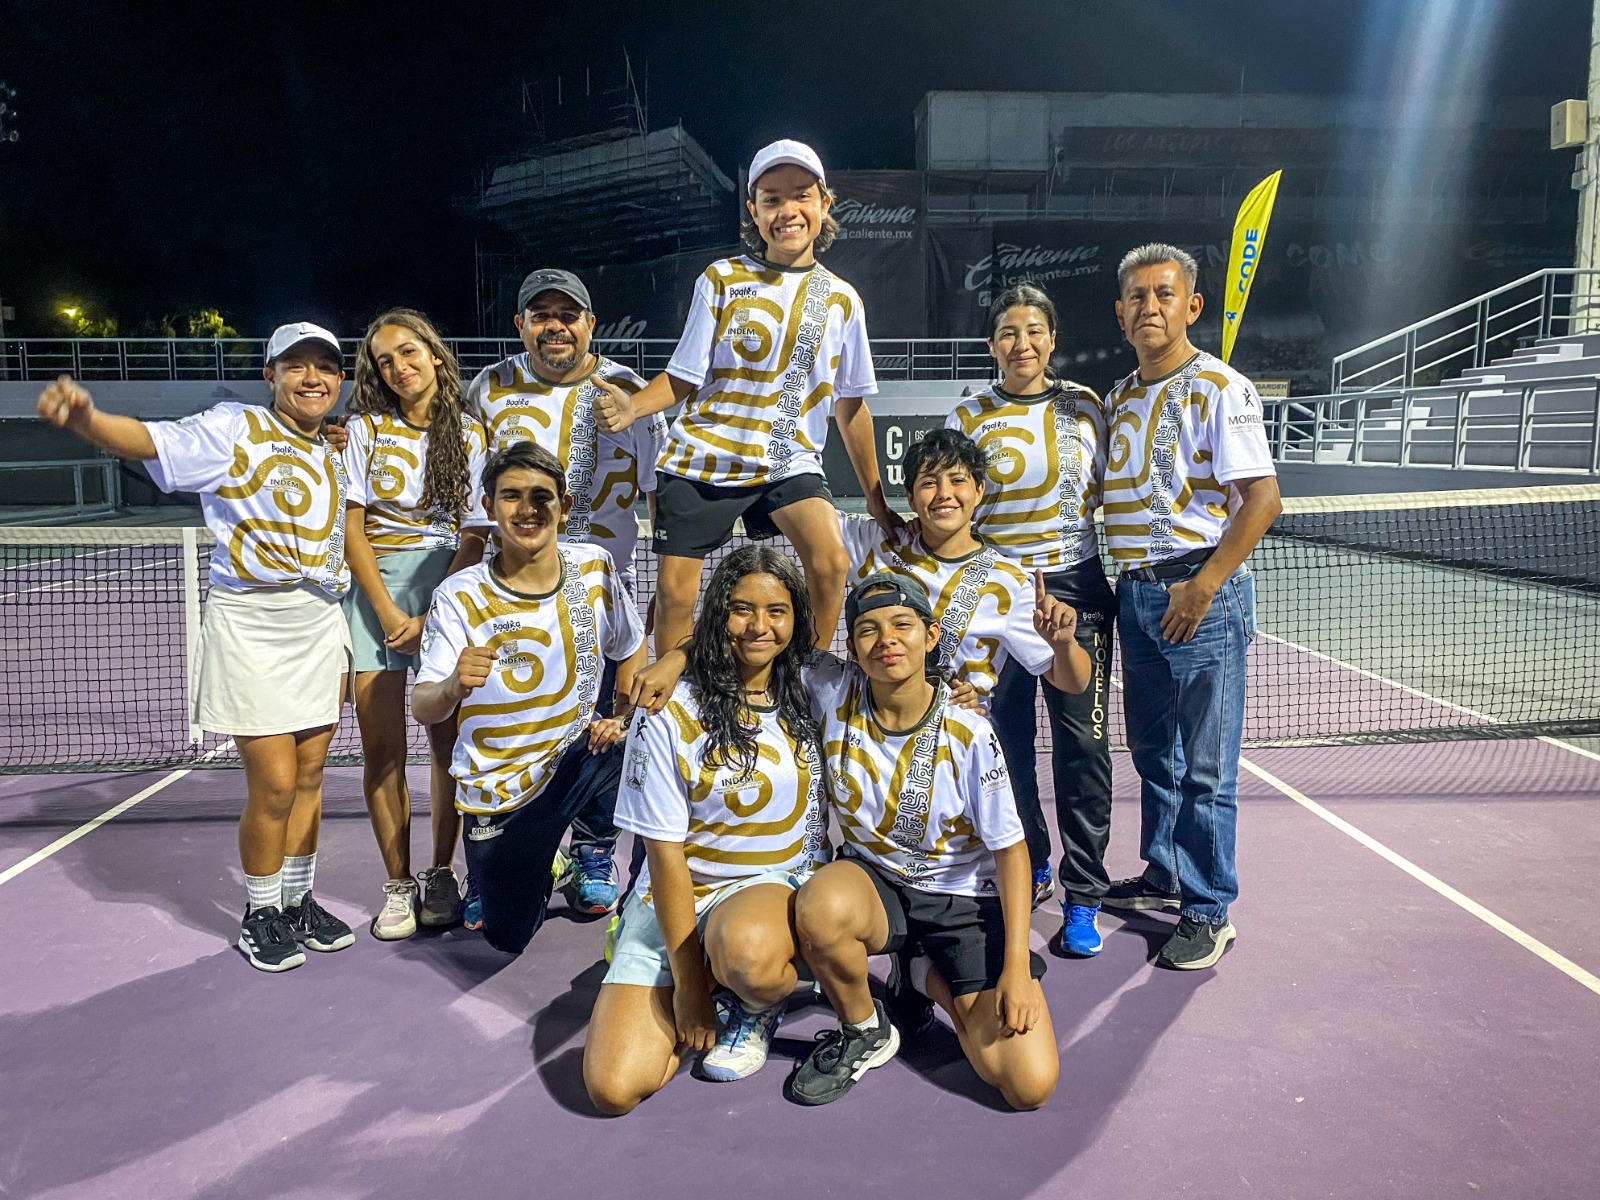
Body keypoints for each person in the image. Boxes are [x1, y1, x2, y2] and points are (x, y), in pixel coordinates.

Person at [36, 323, 357, 972]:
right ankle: (261, 913)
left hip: (320, 621)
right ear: (270, 376)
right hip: (252, 624)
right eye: (295, 365)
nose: (312, 377)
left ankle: (298, 901)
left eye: (325, 366)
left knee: (311, 778)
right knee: (274, 784)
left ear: (339, 379)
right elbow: (153, 440)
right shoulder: (234, 428)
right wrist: (88, 420)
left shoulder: (332, 448)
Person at [589, 138, 899, 655]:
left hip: (788, 461)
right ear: (754, 212)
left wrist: (877, 502)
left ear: (825, 204)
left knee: (831, 563)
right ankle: (675, 695)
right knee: (674, 595)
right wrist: (633, 405)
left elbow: (851, 407)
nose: (787, 211)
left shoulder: (843, 301)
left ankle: (808, 677)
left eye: (801, 195)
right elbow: (683, 377)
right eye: (772, 199)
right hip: (703, 458)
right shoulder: (721, 279)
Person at [786, 573, 1063, 1110]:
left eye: (902, 624)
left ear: (931, 636)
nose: (885, 639)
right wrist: (671, 660)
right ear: (852, 648)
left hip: (966, 900)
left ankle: (919, 975)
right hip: (876, 882)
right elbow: (753, 640)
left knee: (1027, 1084)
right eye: (868, 630)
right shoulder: (834, 689)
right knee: (820, 909)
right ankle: (865, 1028)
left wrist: (1015, 968)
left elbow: (1012, 853)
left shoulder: (969, 729)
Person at [583, 547, 828, 1115]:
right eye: (741, 610)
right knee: (613, 1089)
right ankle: (713, 979)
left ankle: (754, 998)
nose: (759, 626)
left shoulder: (815, 685)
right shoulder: (667, 709)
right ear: (718, 614)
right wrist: (690, 985)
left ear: (796, 618)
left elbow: (897, 675)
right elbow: (664, 855)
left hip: (770, 891)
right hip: (679, 898)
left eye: (777, 611)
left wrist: (956, 693)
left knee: (749, 956)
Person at [1100, 243, 1282, 970]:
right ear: (1120, 314)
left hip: (1199, 595)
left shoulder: (1222, 389)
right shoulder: (1118, 397)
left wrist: (1204, 586)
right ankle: (1165, 872)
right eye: (1137, 297)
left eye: (1164, 294)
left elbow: (1263, 500)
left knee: (1206, 766)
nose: (1150, 307)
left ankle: (1208, 910)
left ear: (1192, 306)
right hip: (1136, 593)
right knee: (1154, 753)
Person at [463, 268, 666, 918]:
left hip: (602, 592)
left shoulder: (630, 390)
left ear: (590, 323)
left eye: (568, 314)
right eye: (541, 315)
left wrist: (668, 588)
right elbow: (468, 496)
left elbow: (660, 493)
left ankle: (592, 851)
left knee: (605, 727)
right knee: (509, 724)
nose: (555, 326)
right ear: (520, 325)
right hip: (510, 591)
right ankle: (503, 860)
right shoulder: (488, 389)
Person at [837, 427, 1091, 912]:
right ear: (910, 495)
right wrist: (875, 504)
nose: (944, 494)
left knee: (963, 893)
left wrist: (1063, 644)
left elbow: (1071, 681)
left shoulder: (1008, 582)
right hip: (873, 743)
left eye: (957, 481)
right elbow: (798, 511)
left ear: (979, 489)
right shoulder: (874, 545)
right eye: (928, 483)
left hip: (956, 755)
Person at [411, 441, 644, 955]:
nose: (528, 509)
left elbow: (629, 646)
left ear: (563, 506)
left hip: (580, 758)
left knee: (650, 740)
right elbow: (423, 705)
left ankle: (602, 861)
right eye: (511, 496)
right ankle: (537, 863)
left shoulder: (594, 568)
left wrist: (623, 713)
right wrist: (452, 686)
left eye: (542, 496)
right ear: (489, 506)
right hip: (501, 787)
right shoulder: (459, 595)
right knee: (507, 935)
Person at [946, 283, 1118, 956]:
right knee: (1005, 746)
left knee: (1083, 748)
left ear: (1052, 340)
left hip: (1076, 588)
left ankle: (1085, 895)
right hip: (996, 597)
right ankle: (1034, 859)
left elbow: (1115, 488)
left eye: (1034, 331)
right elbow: (954, 503)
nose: (1022, 344)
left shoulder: (1087, 406)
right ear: (992, 346)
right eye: (1008, 333)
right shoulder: (969, 414)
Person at [342, 309, 491, 939]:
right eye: (384, 360)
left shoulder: (472, 434)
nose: (399, 367)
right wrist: (387, 611)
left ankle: (441, 874)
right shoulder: (363, 430)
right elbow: (352, 528)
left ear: (434, 353)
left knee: (447, 748)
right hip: (375, 599)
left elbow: (475, 534)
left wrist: (434, 613)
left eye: (408, 352)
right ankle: (398, 884)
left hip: (447, 594)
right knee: (383, 751)